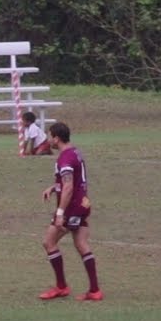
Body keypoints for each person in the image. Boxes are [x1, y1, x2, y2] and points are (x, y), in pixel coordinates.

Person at [39, 122, 102, 301]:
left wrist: (60, 213)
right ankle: (95, 291)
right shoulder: (75, 152)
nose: (48, 139)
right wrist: (54, 187)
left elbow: (68, 186)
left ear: (56, 138)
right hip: (83, 204)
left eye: (50, 136)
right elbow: (72, 180)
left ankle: (61, 287)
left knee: (49, 242)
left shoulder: (65, 158)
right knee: (81, 244)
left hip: (71, 208)